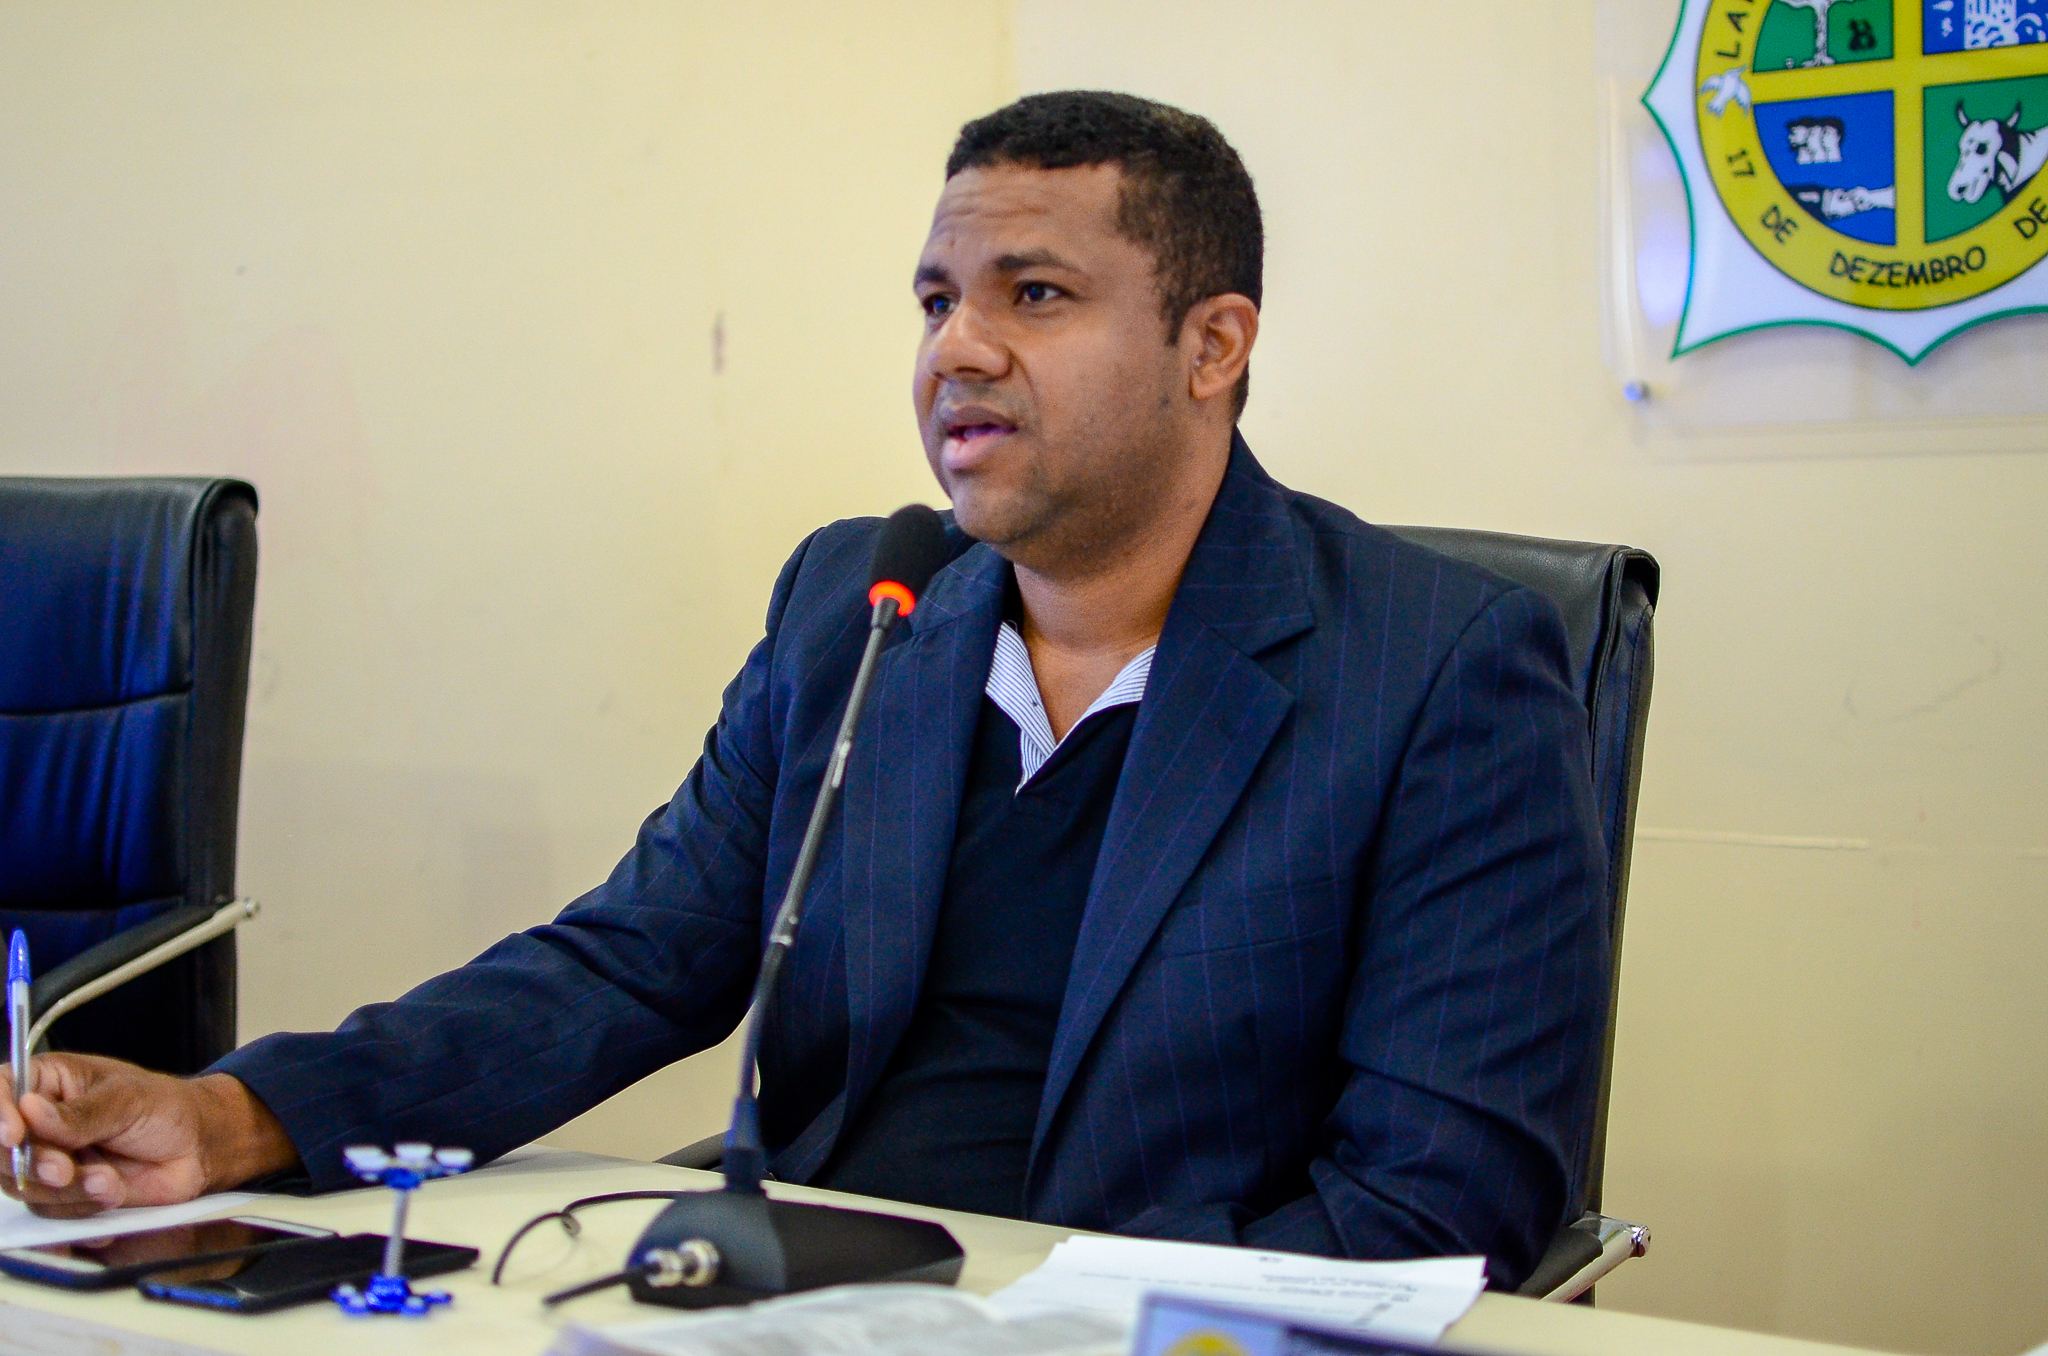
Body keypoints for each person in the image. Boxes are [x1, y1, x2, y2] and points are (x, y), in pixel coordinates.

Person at [0, 92, 1606, 1289]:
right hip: (812, 1308)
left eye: (1034, 296)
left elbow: (1436, 1197)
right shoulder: (864, 606)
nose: (956, 351)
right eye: (936, 300)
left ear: (1213, 346)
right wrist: (240, 1116)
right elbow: (628, 962)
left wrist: (1074, 1329)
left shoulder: (1436, 667)